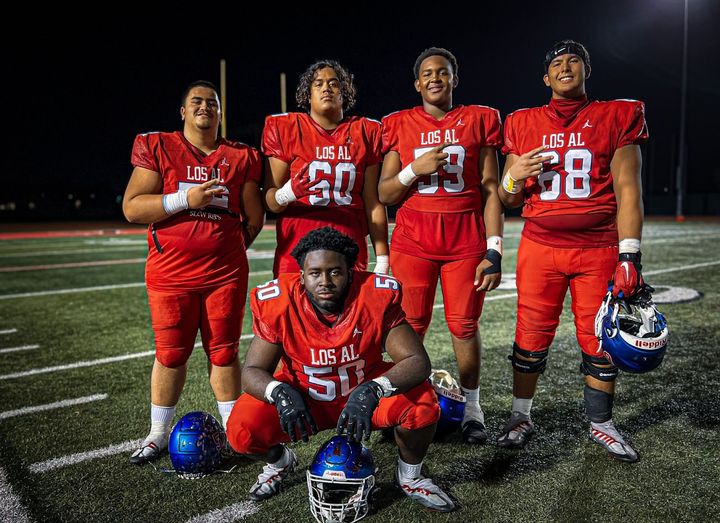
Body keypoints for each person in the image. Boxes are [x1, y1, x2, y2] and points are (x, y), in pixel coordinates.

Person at [226, 227, 455, 513]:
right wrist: (280, 392)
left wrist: (374, 389)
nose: (325, 281)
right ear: (301, 274)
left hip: (363, 395)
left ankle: (410, 476)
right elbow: (253, 370)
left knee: (422, 403)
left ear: (350, 271)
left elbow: (417, 361)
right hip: (305, 398)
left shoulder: (373, 295)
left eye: (335, 272)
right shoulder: (279, 302)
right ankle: (280, 462)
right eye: (315, 273)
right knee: (241, 431)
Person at [497, 40, 648, 462]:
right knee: (529, 336)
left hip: (598, 246)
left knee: (599, 338)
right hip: (540, 246)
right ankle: (519, 416)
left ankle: (601, 424)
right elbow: (508, 198)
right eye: (557, 64)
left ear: (586, 70)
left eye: (574, 61)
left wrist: (629, 254)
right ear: (546, 78)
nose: (566, 68)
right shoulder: (523, 122)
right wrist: (514, 178)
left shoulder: (616, 115)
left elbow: (628, 189)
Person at [123, 80, 264, 464]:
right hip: (170, 274)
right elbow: (134, 207)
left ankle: (234, 430)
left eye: (213, 103)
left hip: (224, 274)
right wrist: (185, 199)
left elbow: (252, 218)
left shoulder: (242, 156)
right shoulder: (158, 146)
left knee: (224, 352)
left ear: (220, 112)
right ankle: (157, 433)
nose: (205, 107)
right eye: (196, 102)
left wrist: (225, 250)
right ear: (183, 111)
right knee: (170, 353)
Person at [378, 47, 504, 444]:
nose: (435, 78)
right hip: (413, 241)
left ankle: (472, 409)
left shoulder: (479, 119)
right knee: (409, 326)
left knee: (464, 324)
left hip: (465, 239)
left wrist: (494, 249)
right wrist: (414, 169)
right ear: (417, 83)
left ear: (454, 78)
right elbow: (384, 193)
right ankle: (403, 402)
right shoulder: (398, 124)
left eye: (443, 72)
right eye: (428, 73)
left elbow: (489, 189)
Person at [262, 59, 389, 275]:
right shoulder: (287, 128)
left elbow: (373, 203)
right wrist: (289, 193)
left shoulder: (365, 131)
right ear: (308, 94)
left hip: (348, 247)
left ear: (344, 92)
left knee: (350, 309)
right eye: (318, 84)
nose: (326, 88)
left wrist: (383, 258)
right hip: (297, 249)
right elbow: (270, 202)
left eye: (334, 83)